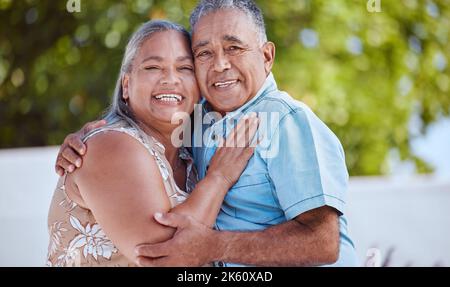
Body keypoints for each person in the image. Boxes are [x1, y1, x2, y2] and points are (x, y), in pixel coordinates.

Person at [57, 0, 359, 267]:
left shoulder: (286, 120)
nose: (220, 65)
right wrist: (92, 135)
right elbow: (140, 127)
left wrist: (213, 247)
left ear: (267, 56)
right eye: (203, 54)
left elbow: (323, 241)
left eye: (234, 48)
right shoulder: (198, 122)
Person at [47, 20, 259, 267]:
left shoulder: (191, 155)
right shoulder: (111, 145)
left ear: (199, 87)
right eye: (153, 67)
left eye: (185, 68)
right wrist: (220, 178)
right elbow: (165, 259)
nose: (171, 79)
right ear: (126, 85)